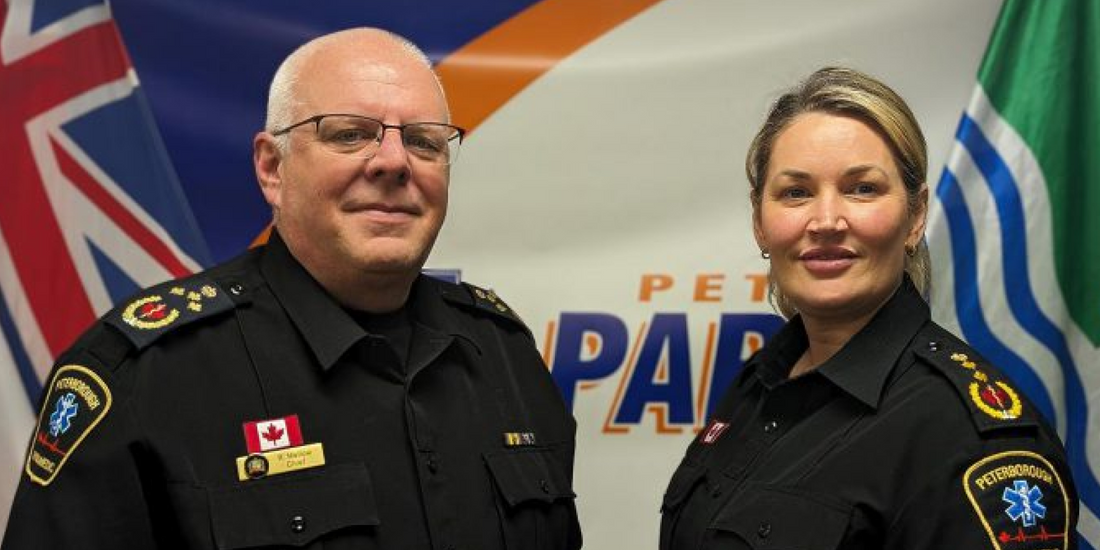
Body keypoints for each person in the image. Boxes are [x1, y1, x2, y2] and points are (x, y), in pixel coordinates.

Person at [2, 28, 581, 550]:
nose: (394, 162)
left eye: (425, 142)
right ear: (272, 168)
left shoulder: (504, 356)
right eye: (350, 134)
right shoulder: (145, 375)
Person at [659, 67, 1078, 549]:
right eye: (796, 192)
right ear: (760, 222)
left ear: (915, 217)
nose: (826, 221)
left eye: (862, 188)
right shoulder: (761, 381)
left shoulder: (967, 436)